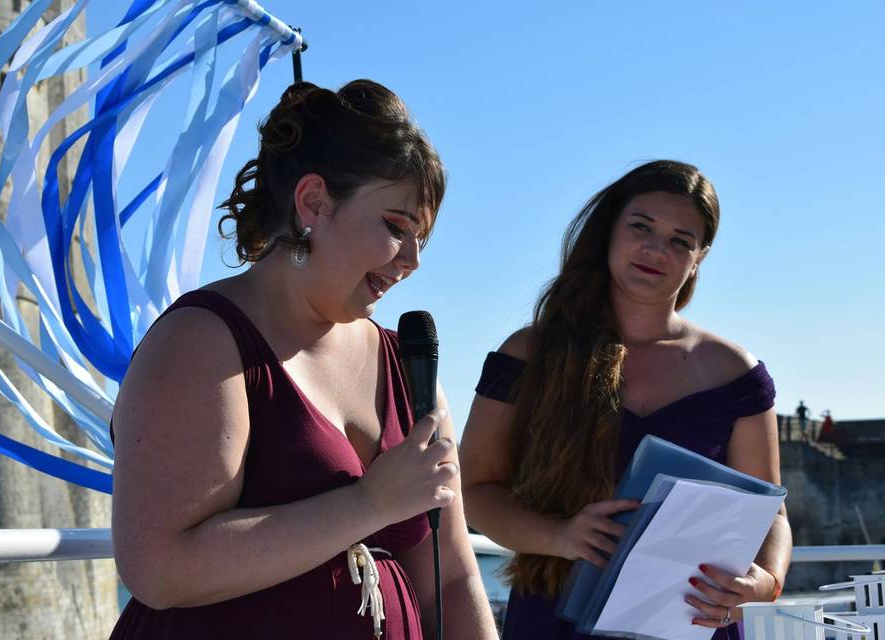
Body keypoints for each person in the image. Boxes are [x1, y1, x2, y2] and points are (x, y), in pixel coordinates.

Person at [110, 80, 497, 639]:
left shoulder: (407, 371)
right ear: (313, 201)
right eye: (395, 227)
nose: (411, 260)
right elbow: (159, 568)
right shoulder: (200, 341)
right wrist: (369, 504)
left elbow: (454, 581)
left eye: (423, 240)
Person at [459, 160, 792, 640]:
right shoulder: (528, 355)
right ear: (610, 231)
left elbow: (772, 515)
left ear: (700, 257)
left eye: (681, 240)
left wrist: (766, 581)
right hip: (554, 616)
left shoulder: (736, 373)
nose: (657, 249)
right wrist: (560, 535)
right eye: (642, 227)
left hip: (691, 621)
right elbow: (477, 492)